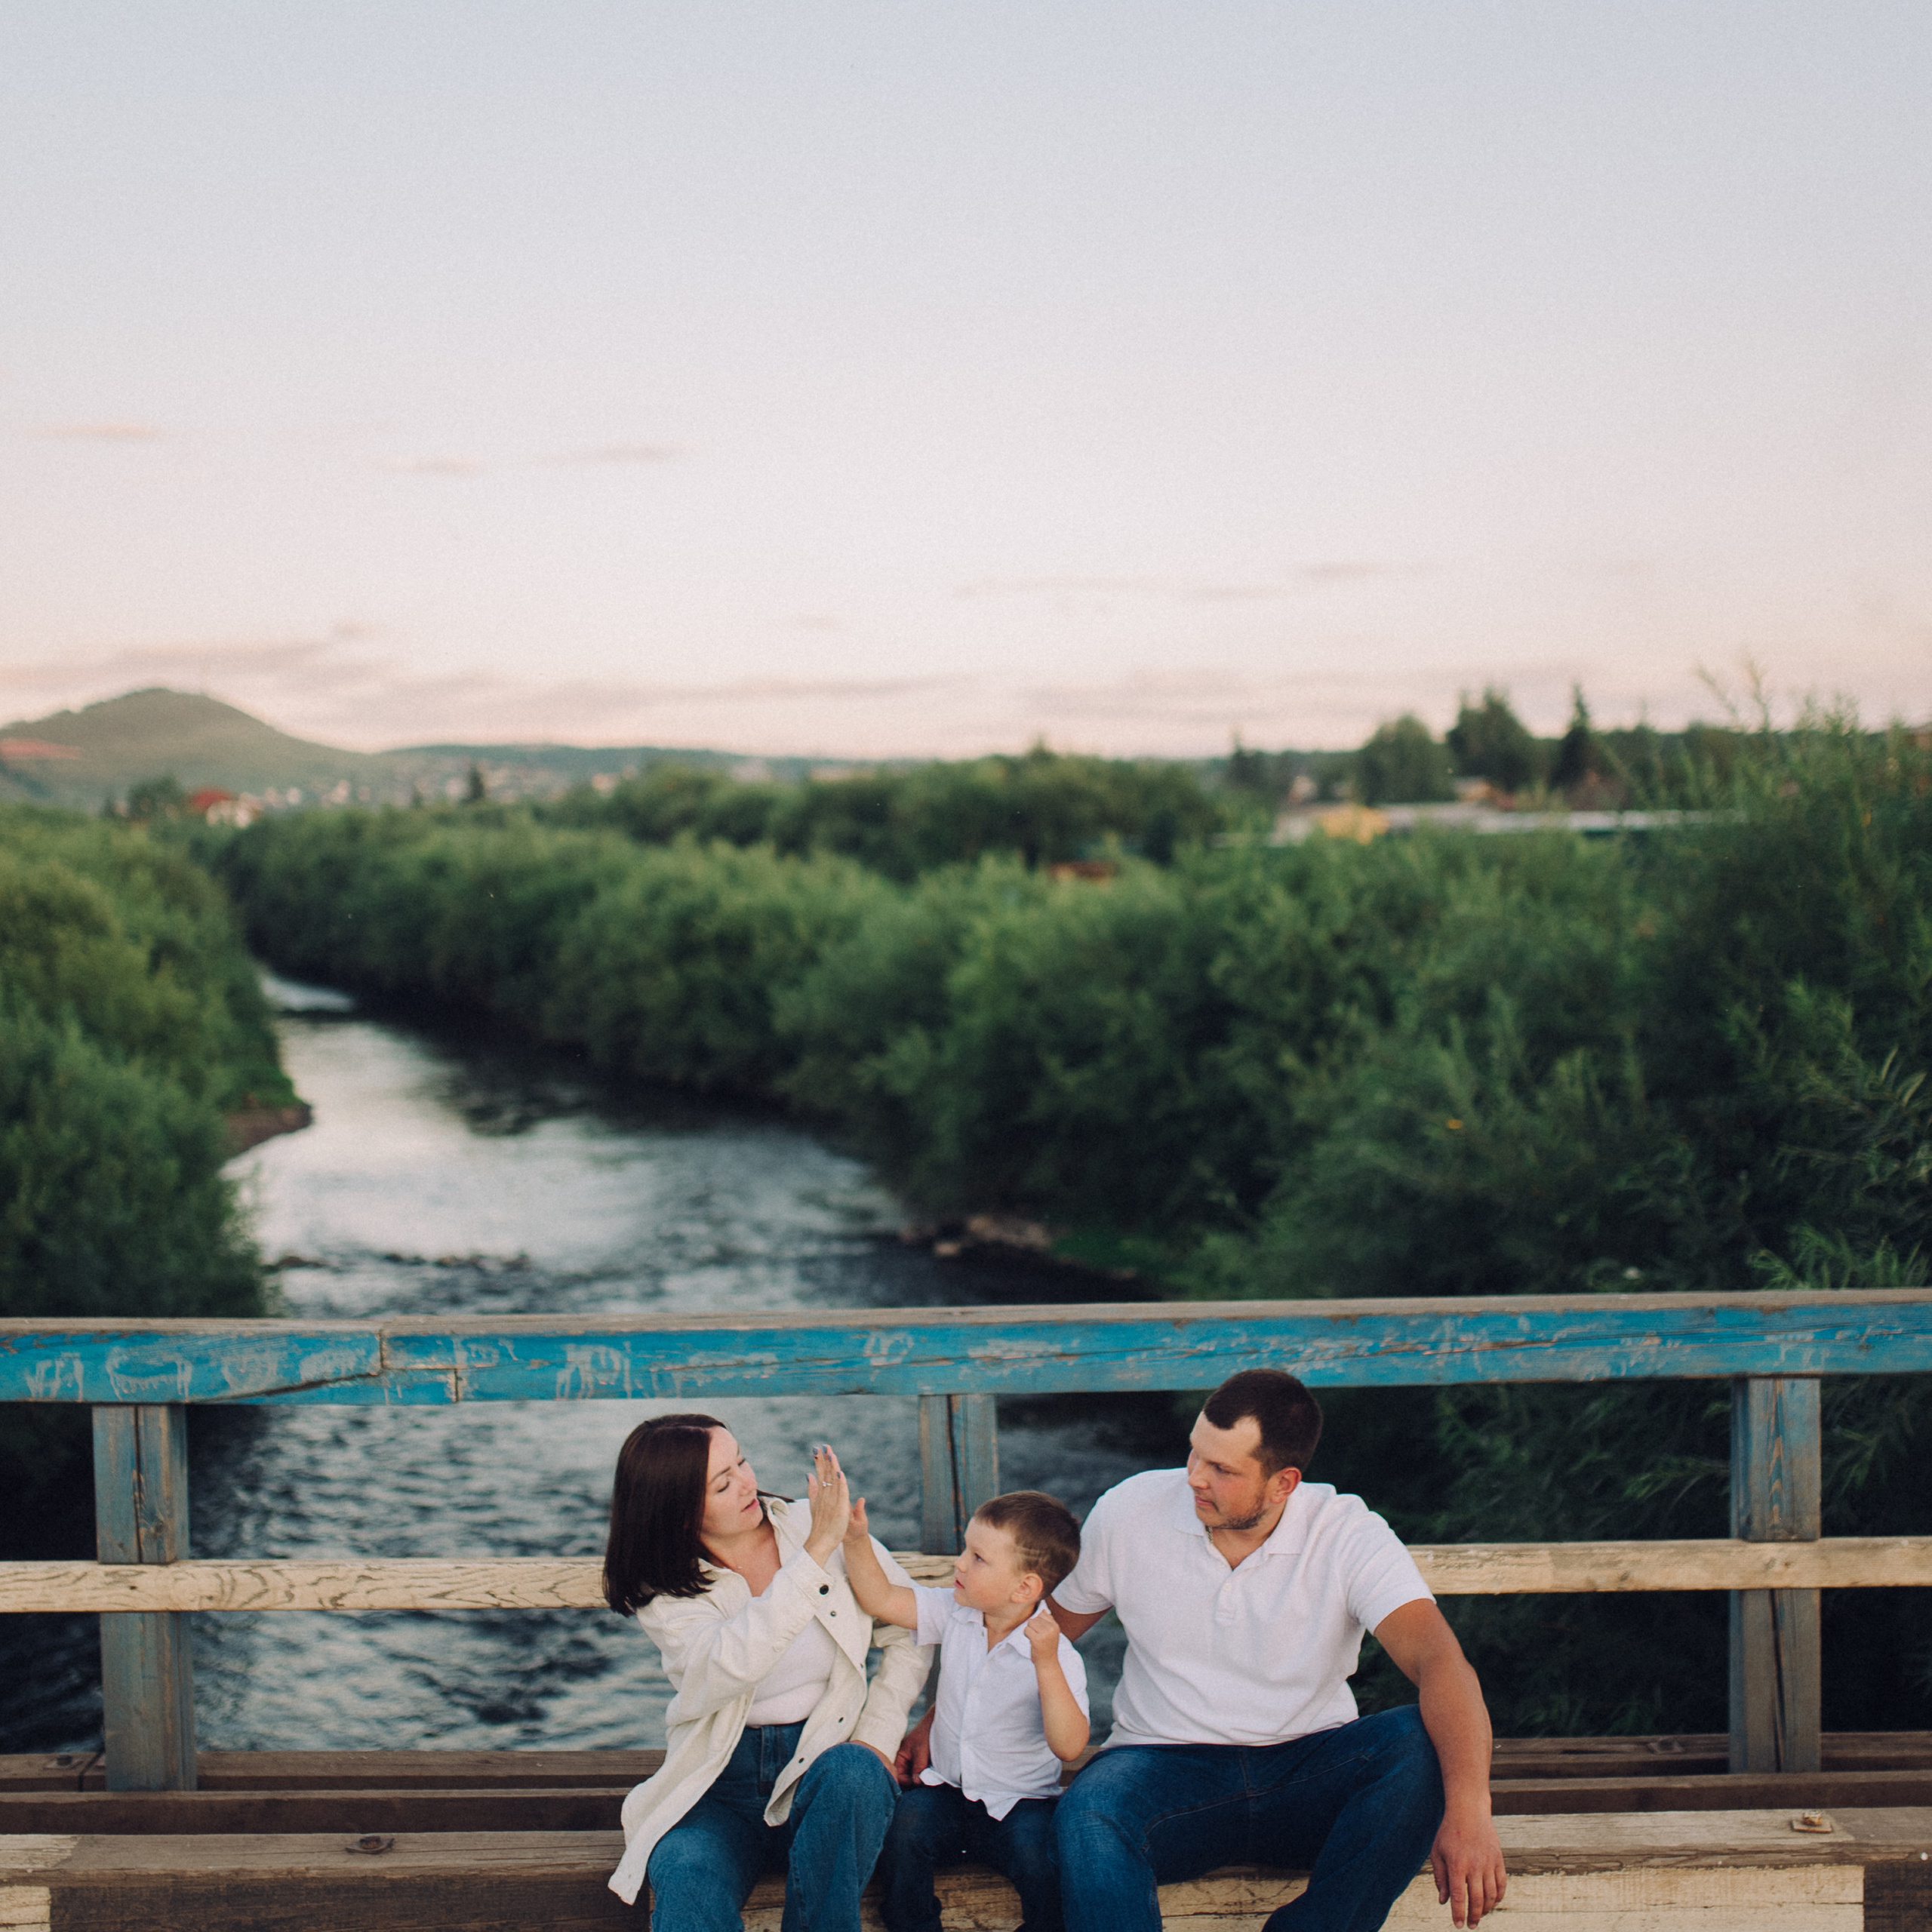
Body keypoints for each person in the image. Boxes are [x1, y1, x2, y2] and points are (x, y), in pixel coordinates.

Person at [897, 1370, 1509, 1932]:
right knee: (1088, 1813)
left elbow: (1440, 1662)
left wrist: (1469, 1810)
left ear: (1283, 1483)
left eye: (1222, 1469)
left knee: (1416, 1743)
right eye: (1195, 1452)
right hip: (1161, 1772)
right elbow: (1034, 1630)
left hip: (1306, 1771)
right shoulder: (1131, 1510)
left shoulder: (1348, 1533)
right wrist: (938, 1719)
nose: (1194, 1476)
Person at [603, 1416, 931, 1927]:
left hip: (825, 1771)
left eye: (742, 1461)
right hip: (720, 1789)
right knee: (686, 1872)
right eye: (723, 1483)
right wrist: (817, 1551)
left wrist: (879, 1735)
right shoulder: (665, 1587)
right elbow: (731, 1662)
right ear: (679, 1511)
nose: (748, 1483)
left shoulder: (810, 1522)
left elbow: (912, 1630)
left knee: (856, 1771)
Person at [844, 1487, 1089, 1932]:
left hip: (1021, 1803)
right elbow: (881, 1598)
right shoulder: (956, 1613)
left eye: (978, 1558)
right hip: (948, 1790)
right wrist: (856, 1540)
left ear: (1025, 1587)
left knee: (1047, 1869)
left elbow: (1070, 1746)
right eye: (965, 1550)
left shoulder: (1058, 1655)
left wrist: (1047, 1662)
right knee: (900, 1834)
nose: (959, 1563)